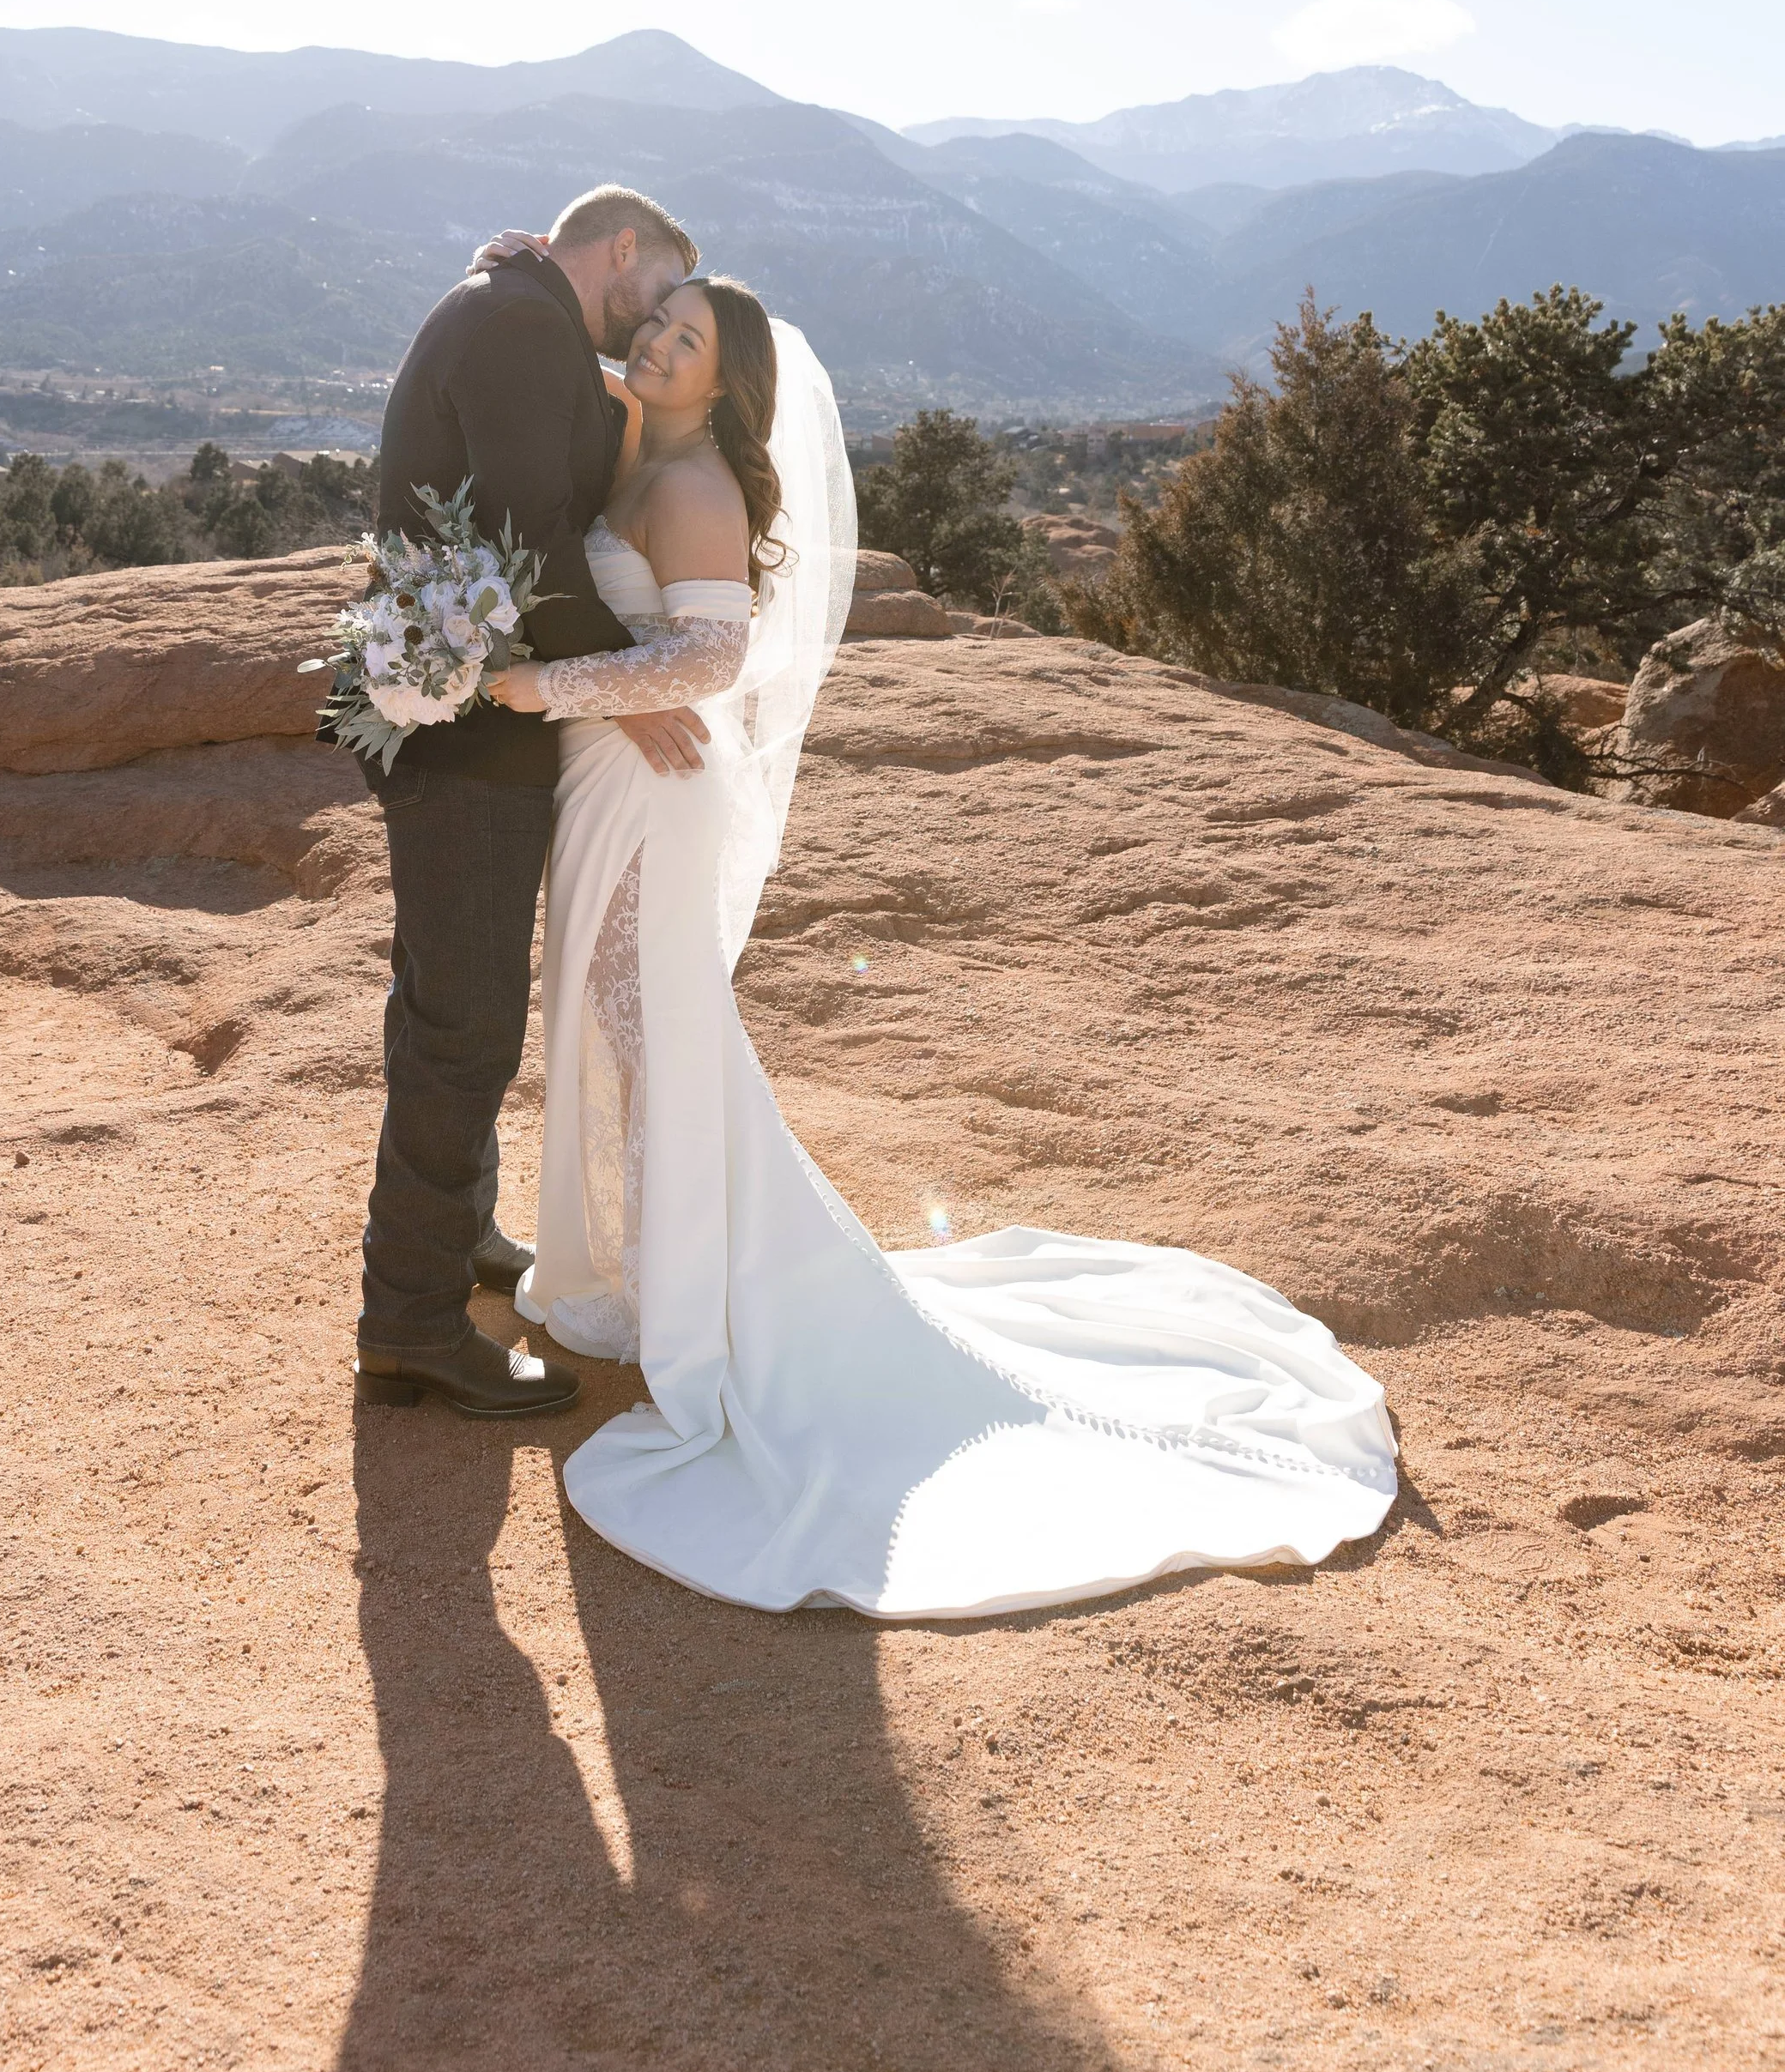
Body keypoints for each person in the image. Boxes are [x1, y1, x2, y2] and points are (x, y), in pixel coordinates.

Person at [481, 271, 1400, 1617]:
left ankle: (703, 1308)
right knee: (623, 1035)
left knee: (654, 1037)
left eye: (691, 339)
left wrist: (542, 684)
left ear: (729, 382)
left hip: (651, 799)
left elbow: (711, 657)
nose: (663, 344)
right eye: (660, 322)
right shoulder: (635, 446)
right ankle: (656, 1279)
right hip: (605, 786)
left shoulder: (698, 485)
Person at [351, 186, 711, 1423]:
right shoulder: (517, 320)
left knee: (447, 999)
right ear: (623, 246)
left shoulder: (518, 309)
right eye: (657, 291)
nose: (653, 321)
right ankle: (409, 1325)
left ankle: (454, 1239)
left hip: (473, 724)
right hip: (468, 739)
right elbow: (530, 538)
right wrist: (626, 684)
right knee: (463, 1025)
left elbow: (530, 504)